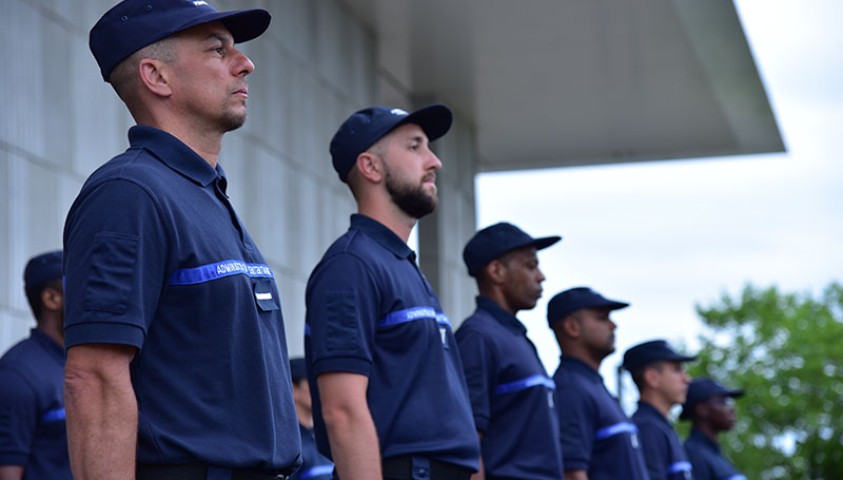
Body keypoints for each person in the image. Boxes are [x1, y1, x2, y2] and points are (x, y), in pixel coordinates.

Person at [62, 1, 301, 479]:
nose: (245, 62)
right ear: (156, 76)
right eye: (217, 49)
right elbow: (95, 379)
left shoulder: (202, 192)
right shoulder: (129, 194)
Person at [305, 105, 480, 480]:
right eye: (415, 147)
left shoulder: (400, 265)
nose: (435, 162)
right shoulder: (350, 267)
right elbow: (342, 411)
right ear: (371, 167)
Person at [455, 222, 563, 479]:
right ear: (497, 271)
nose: (541, 276)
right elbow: (468, 443)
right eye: (530, 265)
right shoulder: (478, 337)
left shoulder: (515, 337)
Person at [547, 286, 649, 480]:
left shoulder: (593, 385)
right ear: (572, 327)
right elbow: (571, 472)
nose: (613, 325)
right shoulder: (570, 388)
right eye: (602, 317)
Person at [0, 251, 70, 480]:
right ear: (52, 298)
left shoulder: (78, 365)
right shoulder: (17, 374)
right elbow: (8, 470)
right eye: (81, 287)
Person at [622, 339, 696, 480]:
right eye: (677, 370)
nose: (687, 379)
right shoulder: (647, 429)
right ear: (652, 378)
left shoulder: (660, 427)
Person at [680, 378, 747, 480]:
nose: (732, 409)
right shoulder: (693, 455)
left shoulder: (715, 454)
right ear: (702, 409)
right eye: (723, 402)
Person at [289, 358, 334, 480]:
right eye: (313, 383)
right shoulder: (290, 444)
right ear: (293, 389)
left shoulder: (324, 436)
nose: (320, 389)